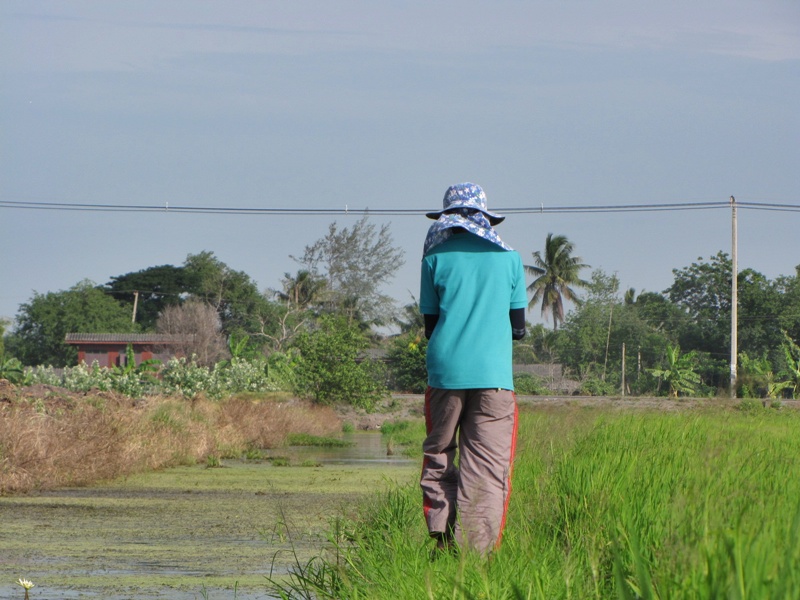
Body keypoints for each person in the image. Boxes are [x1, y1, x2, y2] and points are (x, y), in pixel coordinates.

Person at [419, 182, 527, 556]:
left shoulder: (434, 257)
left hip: (445, 373)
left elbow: (430, 326)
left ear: (447, 218)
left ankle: (442, 536)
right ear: (484, 218)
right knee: (486, 467)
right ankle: (475, 557)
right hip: (494, 378)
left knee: (440, 453)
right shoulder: (510, 259)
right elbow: (519, 328)